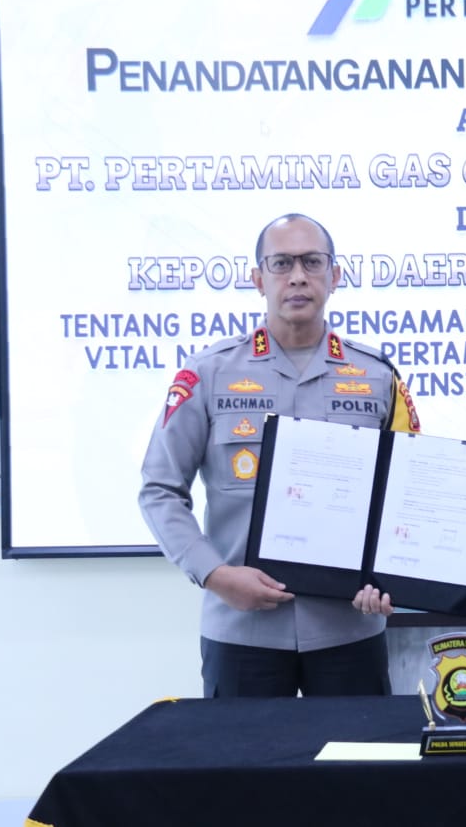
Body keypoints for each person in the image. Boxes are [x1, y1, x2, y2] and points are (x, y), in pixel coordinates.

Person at [138, 212, 422, 698]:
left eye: (312, 262)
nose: (298, 277)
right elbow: (159, 490)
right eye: (282, 263)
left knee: (357, 752)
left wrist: (394, 577)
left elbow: (408, 494)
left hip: (348, 629)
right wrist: (215, 575)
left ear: (335, 275)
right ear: (258, 278)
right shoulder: (209, 374)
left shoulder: (377, 377)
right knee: (242, 753)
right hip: (242, 630)